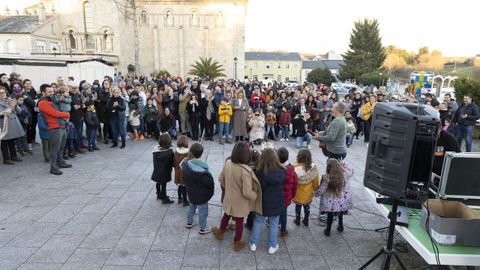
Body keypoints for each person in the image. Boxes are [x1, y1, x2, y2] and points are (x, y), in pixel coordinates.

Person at [212, 142, 262, 252]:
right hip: (241, 202)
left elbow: (221, 179)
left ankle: (221, 232)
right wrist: (256, 196)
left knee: (226, 214)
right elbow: (247, 192)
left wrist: (229, 188)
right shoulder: (245, 171)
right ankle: (237, 241)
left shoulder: (228, 163)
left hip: (229, 198)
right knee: (239, 221)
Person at [249, 148, 285, 254]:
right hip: (277, 203)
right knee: (274, 224)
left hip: (262, 203)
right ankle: (272, 246)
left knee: (258, 222)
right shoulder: (282, 172)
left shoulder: (259, 173)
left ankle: (253, 244)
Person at [38, 84, 72, 175]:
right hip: (54, 127)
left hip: (62, 125)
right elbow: (54, 113)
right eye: (49, 92)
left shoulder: (53, 100)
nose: (52, 93)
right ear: (43, 93)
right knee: (54, 148)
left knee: (61, 146)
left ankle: (60, 162)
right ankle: (53, 167)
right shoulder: (42, 102)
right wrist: (66, 114)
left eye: (52, 91)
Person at [182, 143, 215, 235]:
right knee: (202, 212)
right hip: (202, 196)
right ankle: (202, 228)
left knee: (191, 208)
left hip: (191, 193)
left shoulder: (186, 164)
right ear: (202, 153)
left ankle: (189, 222)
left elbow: (184, 178)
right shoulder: (204, 166)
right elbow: (209, 183)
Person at [318, 159, 353, 236]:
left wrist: (316, 194)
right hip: (342, 201)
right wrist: (344, 164)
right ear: (339, 166)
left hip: (331, 203)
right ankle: (340, 226)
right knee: (340, 212)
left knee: (330, 215)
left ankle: (328, 230)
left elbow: (322, 190)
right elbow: (352, 170)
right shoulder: (345, 175)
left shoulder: (326, 177)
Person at [292, 149, 319, 227]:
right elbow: (315, 181)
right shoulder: (313, 168)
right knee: (307, 206)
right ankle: (306, 220)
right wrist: (316, 189)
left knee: (298, 206)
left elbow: (292, 181)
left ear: (298, 157)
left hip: (297, 193)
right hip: (308, 192)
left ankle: (297, 220)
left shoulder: (294, 167)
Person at [0, 87, 25, 165]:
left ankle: (13, 156)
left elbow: (19, 111)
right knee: (4, 142)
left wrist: (15, 104)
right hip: (3, 124)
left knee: (12, 140)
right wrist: (11, 106)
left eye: (3, 92)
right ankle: (6, 158)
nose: (2, 94)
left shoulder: (9, 99)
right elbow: (3, 113)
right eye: (0, 93)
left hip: (13, 123)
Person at [277, 147, 298, 237]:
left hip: (276, 196)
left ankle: (274, 223)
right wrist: (292, 196)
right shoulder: (291, 170)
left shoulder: (274, 168)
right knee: (283, 213)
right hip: (286, 197)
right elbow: (295, 184)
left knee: (276, 211)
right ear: (287, 157)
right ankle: (283, 230)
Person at [151, 133, 175, 204]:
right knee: (164, 185)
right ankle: (164, 198)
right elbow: (172, 162)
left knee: (158, 182)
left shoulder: (155, 150)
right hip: (165, 171)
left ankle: (158, 194)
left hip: (157, 171)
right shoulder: (170, 152)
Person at [173, 135, 190, 206]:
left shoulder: (176, 152)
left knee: (180, 185)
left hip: (177, 172)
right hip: (185, 173)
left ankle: (180, 198)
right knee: (184, 187)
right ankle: (185, 201)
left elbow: (174, 163)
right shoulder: (188, 153)